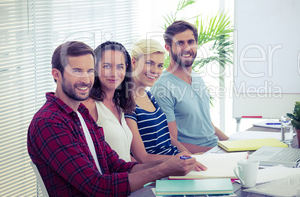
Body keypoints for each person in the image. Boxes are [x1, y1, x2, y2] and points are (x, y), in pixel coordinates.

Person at [27, 41, 196, 196]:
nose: (86, 80)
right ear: (56, 74)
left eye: (90, 71)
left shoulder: (80, 115)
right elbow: (96, 186)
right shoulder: (49, 122)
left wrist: (170, 164)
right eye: (77, 71)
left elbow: (118, 166)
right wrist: (161, 170)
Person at [151, 21, 229, 153]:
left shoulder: (197, 78)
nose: (187, 48)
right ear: (168, 48)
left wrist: (232, 145)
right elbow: (171, 142)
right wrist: (214, 150)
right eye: (180, 43)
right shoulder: (162, 88)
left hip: (215, 149)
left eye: (191, 42)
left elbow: (208, 125)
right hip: (196, 156)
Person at [125, 39, 194, 162]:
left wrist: (190, 157)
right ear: (134, 62)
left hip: (176, 161)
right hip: (163, 168)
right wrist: (180, 160)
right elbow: (142, 157)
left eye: (160, 66)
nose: (155, 71)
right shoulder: (127, 102)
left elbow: (169, 137)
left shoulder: (149, 96)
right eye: (149, 63)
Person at [82, 41, 135, 162]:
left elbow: (125, 157)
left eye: (119, 67)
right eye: (106, 66)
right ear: (95, 67)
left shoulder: (118, 103)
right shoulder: (89, 106)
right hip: (111, 180)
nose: (114, 73)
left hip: (127, 176)